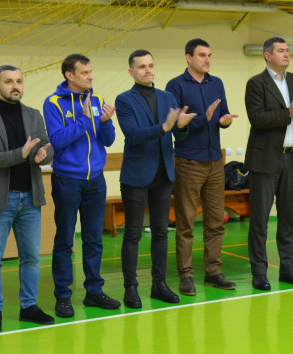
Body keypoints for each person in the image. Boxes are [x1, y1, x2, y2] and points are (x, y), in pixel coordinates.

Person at [0, 65, 55, 334]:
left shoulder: (33, 114)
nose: (15, 86)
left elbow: (47, 147)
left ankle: (28, 306)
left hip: (30, 198)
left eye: (19, 81)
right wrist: (20, 153)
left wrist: (43, 156)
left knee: (31, 257)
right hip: (0, 200)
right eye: (9, 81)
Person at [115, 49, 196, 309]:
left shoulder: (167, 96)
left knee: (161, 232)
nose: (148, 70)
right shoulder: (124, 100)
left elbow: (178, 137)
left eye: (150, 65)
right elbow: (133, 135)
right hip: (136, 175)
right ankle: (130, 288)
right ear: (131, 72)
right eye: (142, 67)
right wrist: (165, 126)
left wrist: (181, 126)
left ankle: (159, 284)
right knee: (133, 234)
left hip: (164, 174)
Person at [43, 54, 120, 318]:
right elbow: (57, 140)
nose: (91, 76)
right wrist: (84, 120)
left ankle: (94, 292)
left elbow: (107, 140)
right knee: (65, 240)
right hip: (67, 180)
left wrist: (106, 122)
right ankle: (63, 296)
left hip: (95, 180)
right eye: (85, 73)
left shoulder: (97, 100)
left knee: (93, 239)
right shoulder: (53, 102)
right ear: (70, 75)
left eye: (91, 71)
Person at [244, 37, 293, 291]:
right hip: (264, 160)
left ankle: (288, 269)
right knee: (260, 220)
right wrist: (288, 113)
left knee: (288, 219)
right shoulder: (256, 83)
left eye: (287, 50)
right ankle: (259, 272)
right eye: (280, 51)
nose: (286, 54)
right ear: (268, 55)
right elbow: (257, 119)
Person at [165, 38, 239, 296]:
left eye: (209, 55)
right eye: (202, 55)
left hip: (215, 161)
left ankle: (213, 272)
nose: (207, 60)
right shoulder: (175, 86)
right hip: (188, 162)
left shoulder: (216, 83)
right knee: (186, 223)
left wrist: (225, 120)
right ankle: (186, 275)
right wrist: (201, 120)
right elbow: (175, 127)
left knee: (216, 222)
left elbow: (222, 115)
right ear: (189, 57)